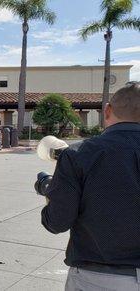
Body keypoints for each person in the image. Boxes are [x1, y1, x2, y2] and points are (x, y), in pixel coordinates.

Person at [41, 82, 140, 290]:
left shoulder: (78, 154)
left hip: (98, 278)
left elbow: (57, 222)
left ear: (107, 110)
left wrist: (50, 191)